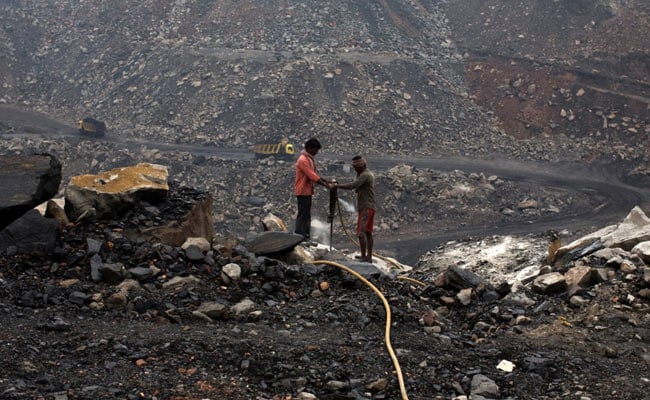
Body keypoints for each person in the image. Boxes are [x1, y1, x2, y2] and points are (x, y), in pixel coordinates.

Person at [334, 155, 376, 263]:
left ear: (361, 166)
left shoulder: (365, 175)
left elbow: (353, 186)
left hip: (366, 207)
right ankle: (368, 257)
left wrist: (337, 186)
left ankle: (364, 257)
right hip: (368, 206)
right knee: (368, 232)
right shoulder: (364, 174)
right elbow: (358, 188)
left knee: (361, 233)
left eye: (356, 168)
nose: (354, 169)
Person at [294, 137, 331, 239]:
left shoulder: (308, 159)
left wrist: (325, 181)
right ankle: (299, 235)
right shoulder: (303, 160)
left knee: (306, 214)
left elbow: (313, 174)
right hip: (302, 191)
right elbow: (312, 175)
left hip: (307, 191)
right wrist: (326, 185)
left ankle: (305, 235)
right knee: (303, 215)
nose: (316, 152)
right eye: (315, 150)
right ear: (310, 148)